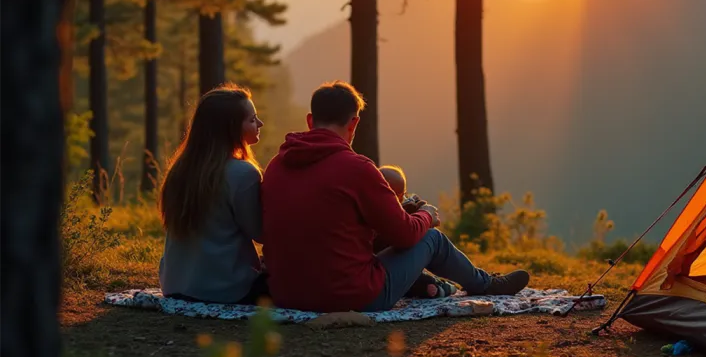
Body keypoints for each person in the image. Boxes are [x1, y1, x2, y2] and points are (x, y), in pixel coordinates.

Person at [261, 80, 530, 313]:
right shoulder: (357, 168)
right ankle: (486, 285)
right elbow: (405, 235)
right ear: (353, 123)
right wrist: (426, 215)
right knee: (431, 239)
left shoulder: (276, 166)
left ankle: (423, 283)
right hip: (350, 297)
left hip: (286, 296)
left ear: (310, 120)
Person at [158, 83, 268, 305]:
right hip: (228, 291)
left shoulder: (180, 169)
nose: (260, 123)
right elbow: (260, 233)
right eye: (252, 119)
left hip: (174, 286)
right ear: (231, 128)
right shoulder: (242, 173)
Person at [377, 165, 456, 299]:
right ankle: (435, 285)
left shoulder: (408, 205)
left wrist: (422, 211)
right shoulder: (379, 212)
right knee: (412, 276)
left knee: (409, 276)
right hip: (387, 266)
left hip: (388, 265)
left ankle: (434, 285)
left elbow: (419, 204)